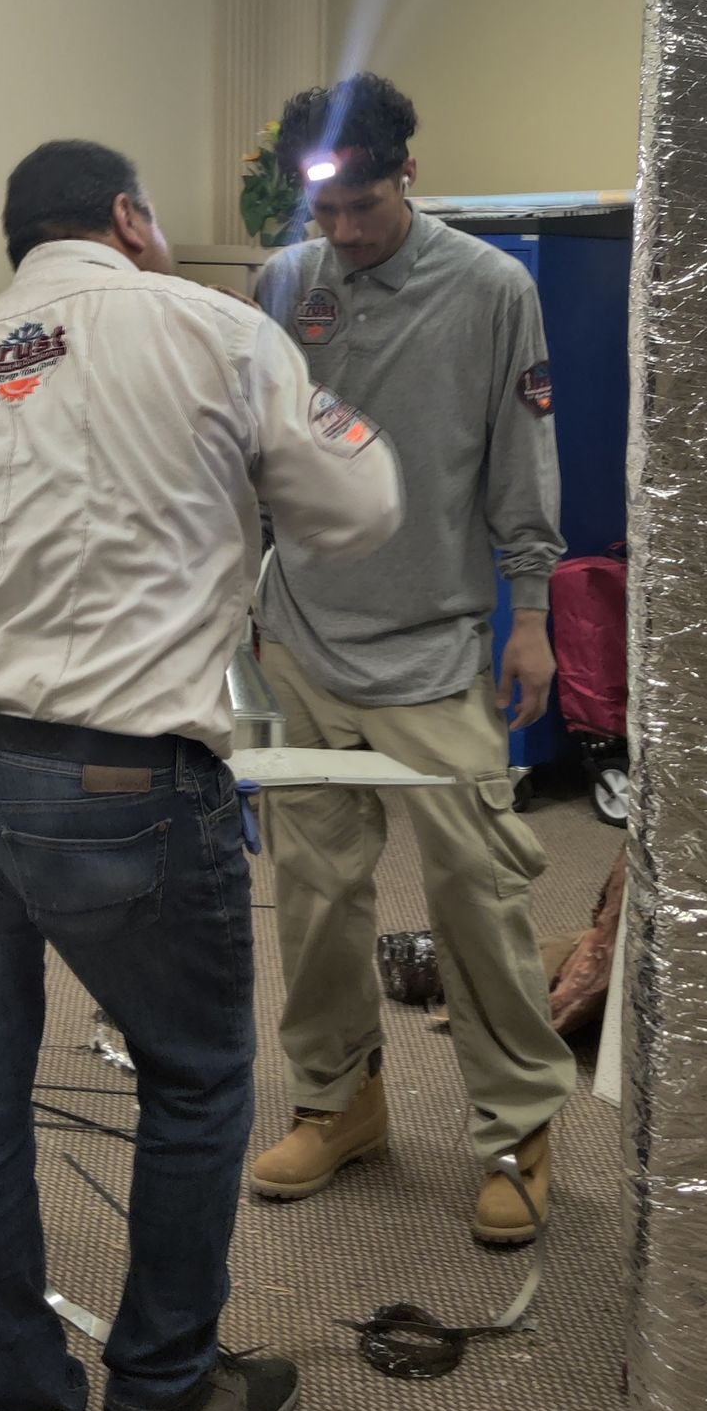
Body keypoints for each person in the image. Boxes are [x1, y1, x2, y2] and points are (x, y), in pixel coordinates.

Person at [0, 139, 400, 1411]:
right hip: (105, 774)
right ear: (131, 218)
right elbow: (359, 508)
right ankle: (160, 1391)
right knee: (196, 1077)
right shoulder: (216, 326)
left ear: (18, 243)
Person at [248, 75, 577, 1246]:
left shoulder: (492, 289)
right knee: (315, 895)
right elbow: (254, 451)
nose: (342, 232)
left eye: (364, 206)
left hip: (433, 646)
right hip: (299, 639)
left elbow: (523, 459)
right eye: (325, 211)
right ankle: (339, 1100)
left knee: (478, 890)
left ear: (409, 175)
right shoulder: (285, 283)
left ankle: (517, 1129)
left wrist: (532, 613)